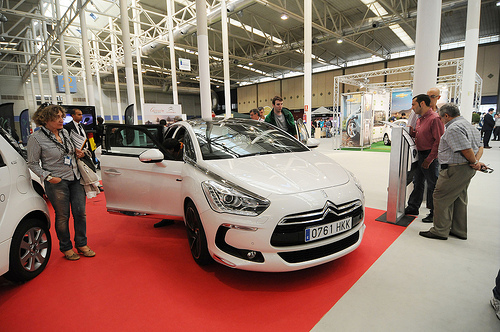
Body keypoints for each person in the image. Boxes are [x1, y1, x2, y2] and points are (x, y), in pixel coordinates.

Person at [27, 104, 95, 260]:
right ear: (45, 119)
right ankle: (66, 247)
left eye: (62, 116)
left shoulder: (64, 132)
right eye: (57, 117)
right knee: (62, 216)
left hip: (75, 178)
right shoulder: (36, 138)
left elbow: (69, 152)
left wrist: (78, 153)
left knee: (80, 213)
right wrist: (48, 177)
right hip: (57, 182)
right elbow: (32, 163)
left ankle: (81, 243)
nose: (61, 119)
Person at [419, 103, 484, 240]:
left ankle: (440, 230)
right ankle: (458, 230)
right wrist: (476, 162)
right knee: (459, 199)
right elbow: (480, 147)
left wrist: (475, 162)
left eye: (441, 118)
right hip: (464, 169)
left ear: (447, 116)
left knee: (440, 197)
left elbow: (466, 149)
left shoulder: (454, 128)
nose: (441, 121)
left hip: (455, 169)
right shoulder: (468, 125)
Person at [405, 94, 445, 223]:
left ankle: (434, 213)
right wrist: (414, 133)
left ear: (422, 103)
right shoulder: (419, 119)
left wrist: (430, 158)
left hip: (429, 156)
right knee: (418, 182)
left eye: (413, 105)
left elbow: (438, 141)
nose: (412, 108)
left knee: (433, 185)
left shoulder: (435, 118)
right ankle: (413, 207)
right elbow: (425, 135)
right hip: (420, 154)